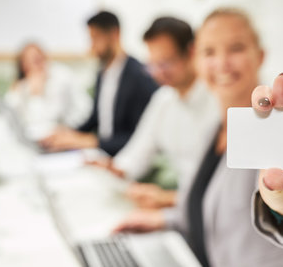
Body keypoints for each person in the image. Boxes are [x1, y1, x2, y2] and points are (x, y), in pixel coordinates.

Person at [114, 8, 283, 267]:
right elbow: (206, 210)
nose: (221, 63)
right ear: (195, 60)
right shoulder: (213, 130)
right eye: (209, 52)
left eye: (236, 48)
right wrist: (165, 219)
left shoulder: (275, 125)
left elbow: (279, 211)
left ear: (260, 56)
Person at [91, 17, 219, 209]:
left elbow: (222, 190)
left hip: (207, 209)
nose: (159, 73)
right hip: (183, 207)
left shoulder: (218, 101)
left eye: (166, 63)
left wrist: (166, 198)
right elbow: (138, 152)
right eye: (153, 64)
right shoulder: (164, 99)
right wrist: (114, 168)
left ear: (191, 53)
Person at [40, 11, 158, 156]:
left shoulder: (139, 76)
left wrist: (93, 141)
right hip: (101, 153)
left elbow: (140, 137)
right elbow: (95, 119)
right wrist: (69, 134)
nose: (91, 47)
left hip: (123, 158)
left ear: (114, 34)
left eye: (95, 38)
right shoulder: (103, 72)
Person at [4, 43, 91, 140]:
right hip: (56, 130)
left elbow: (47, 120)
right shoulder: (26, 81)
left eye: (38, 59)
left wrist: (36, 94)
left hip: (77, 127)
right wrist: (18, 89)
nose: (37, 65)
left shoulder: (60, 77)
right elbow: (9, 111)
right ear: (23, 66)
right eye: (29, 62)